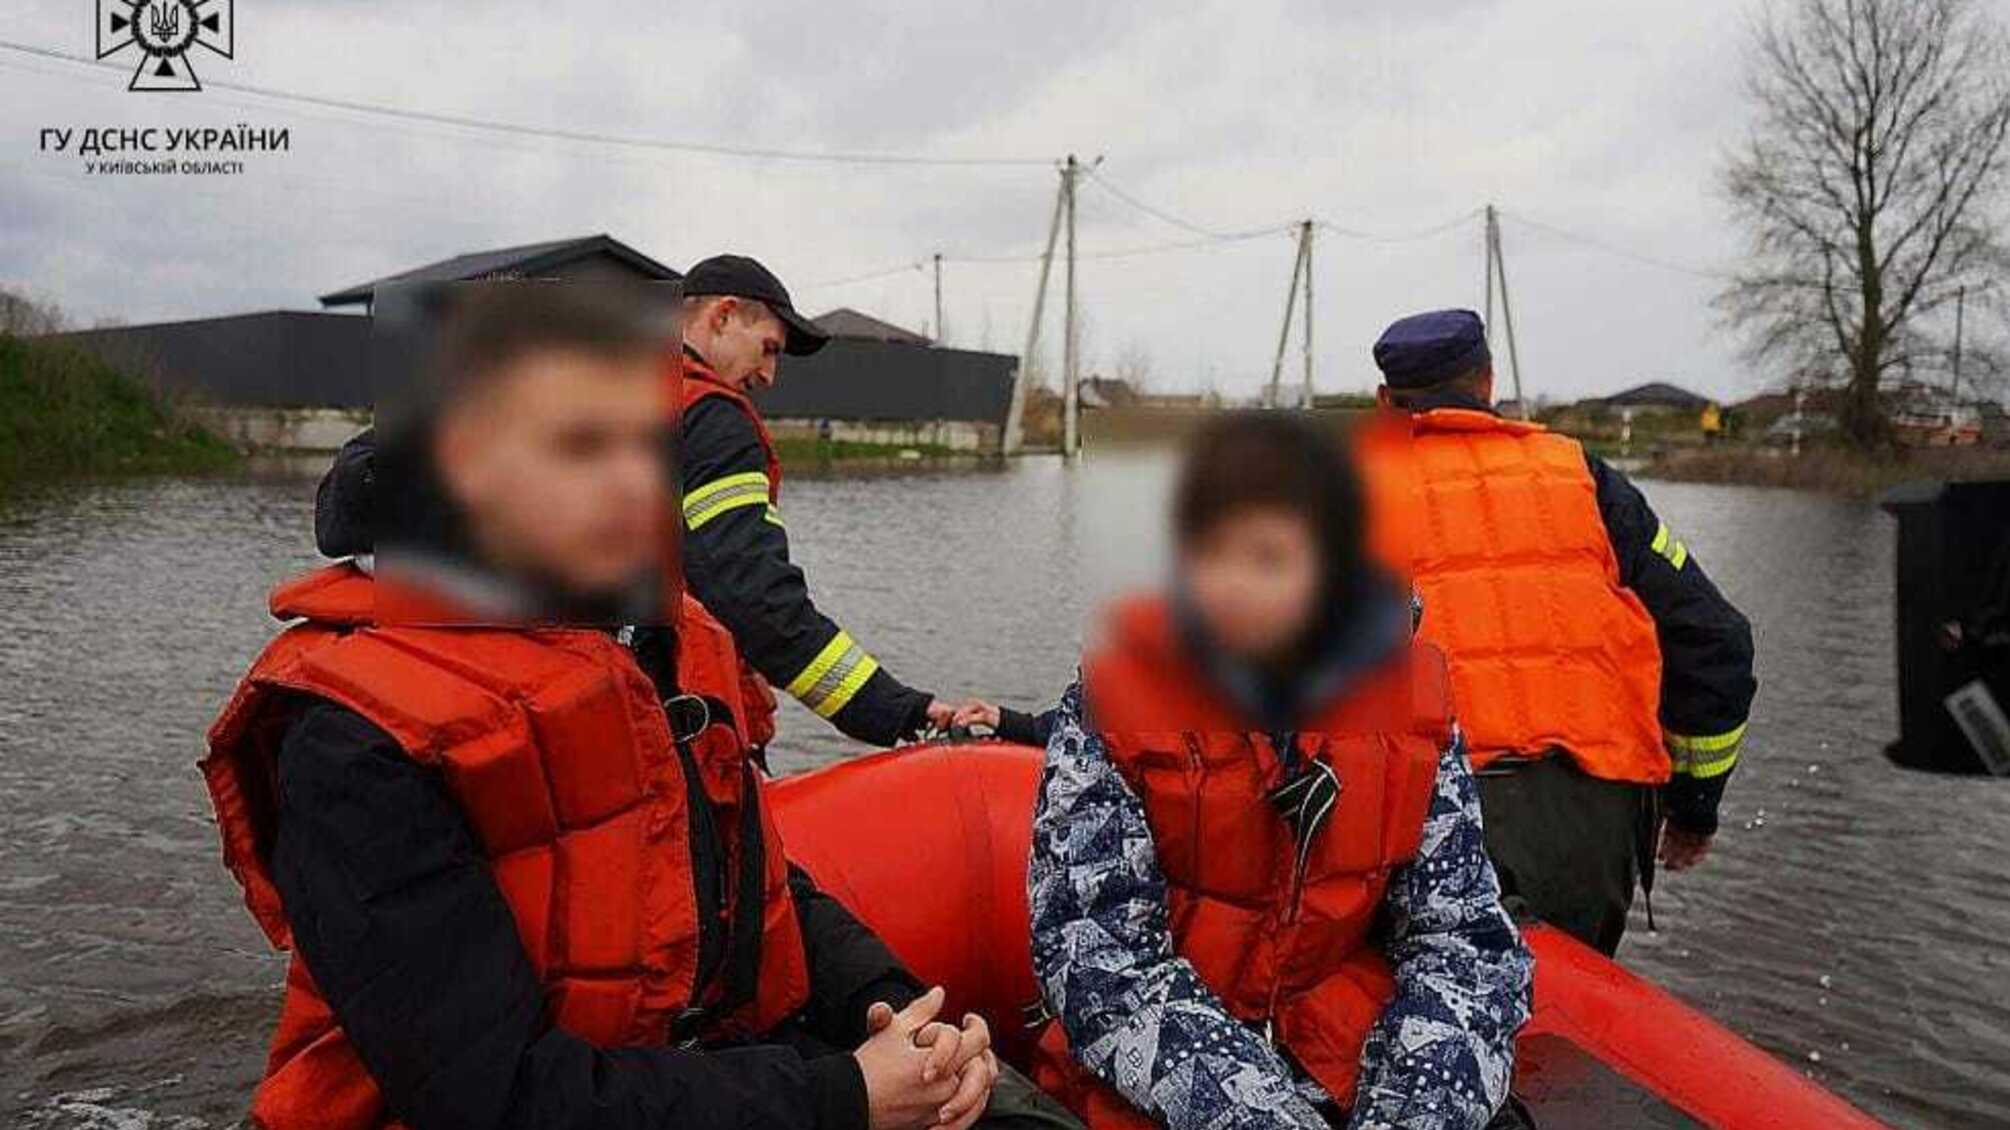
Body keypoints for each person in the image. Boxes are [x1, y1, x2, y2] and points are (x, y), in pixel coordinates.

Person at [199, 283, 1053, 1130]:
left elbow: (756, 881)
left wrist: (900, 1010)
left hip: (691, 1084)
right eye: (580, 447)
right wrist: (845, 1096)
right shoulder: (354, 740)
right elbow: (493, 1098)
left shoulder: (666, 645)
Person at [1025, 412, 1533, 1130]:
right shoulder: (1115, 706)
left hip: (1341, 1044)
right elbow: (1097, 957)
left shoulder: (1414, 712)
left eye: (1268, 558)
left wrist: (1416, 1108)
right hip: (1157, 1068)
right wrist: (1257, 1112)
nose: (1228, 586)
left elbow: (1460, 935)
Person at [1355, 309, 1757, 955]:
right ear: (1487, 383)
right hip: (1581, 827)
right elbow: (1716, 642)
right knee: (1558, 1030)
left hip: (1403, 818)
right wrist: (1693, 809)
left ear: (1384, 401)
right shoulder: (1582, 477)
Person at [677, 254, 972, 753]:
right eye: (768, 349)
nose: (769, 375)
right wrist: (896, 710)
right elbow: (756, 602)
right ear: (722, 316)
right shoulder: (711, 421)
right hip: (677, 735)